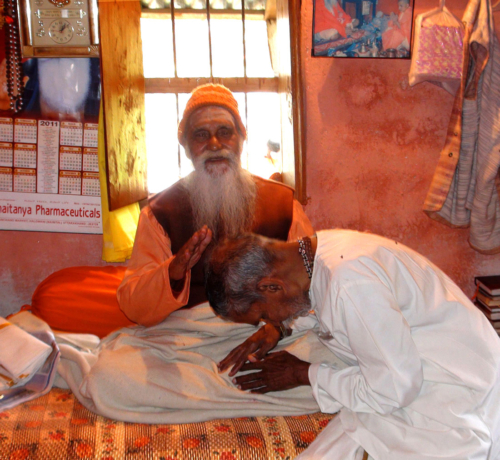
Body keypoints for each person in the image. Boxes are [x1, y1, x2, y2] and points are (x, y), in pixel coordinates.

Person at [206, 230, 500, 460]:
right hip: (428, 372)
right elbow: (323, 305)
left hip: (455, 396)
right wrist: (279, 327)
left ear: (271, 286)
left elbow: (396, 388)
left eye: (263, 315)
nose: (264, 322)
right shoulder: (317, 253)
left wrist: (304, 374)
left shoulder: (349, 283)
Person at [117, 83, 313, 352]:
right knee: (111, 372)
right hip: (188, 338)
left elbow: (315, 282)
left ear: (241, 139)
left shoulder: (283, 205)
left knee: (323, 364)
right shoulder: (161, 212)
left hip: (266, 335)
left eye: (225, 132)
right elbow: (134, 305)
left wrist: (279, 327)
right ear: (186, 146)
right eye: (200, 135)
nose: (214, 144)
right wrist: (173, 272)